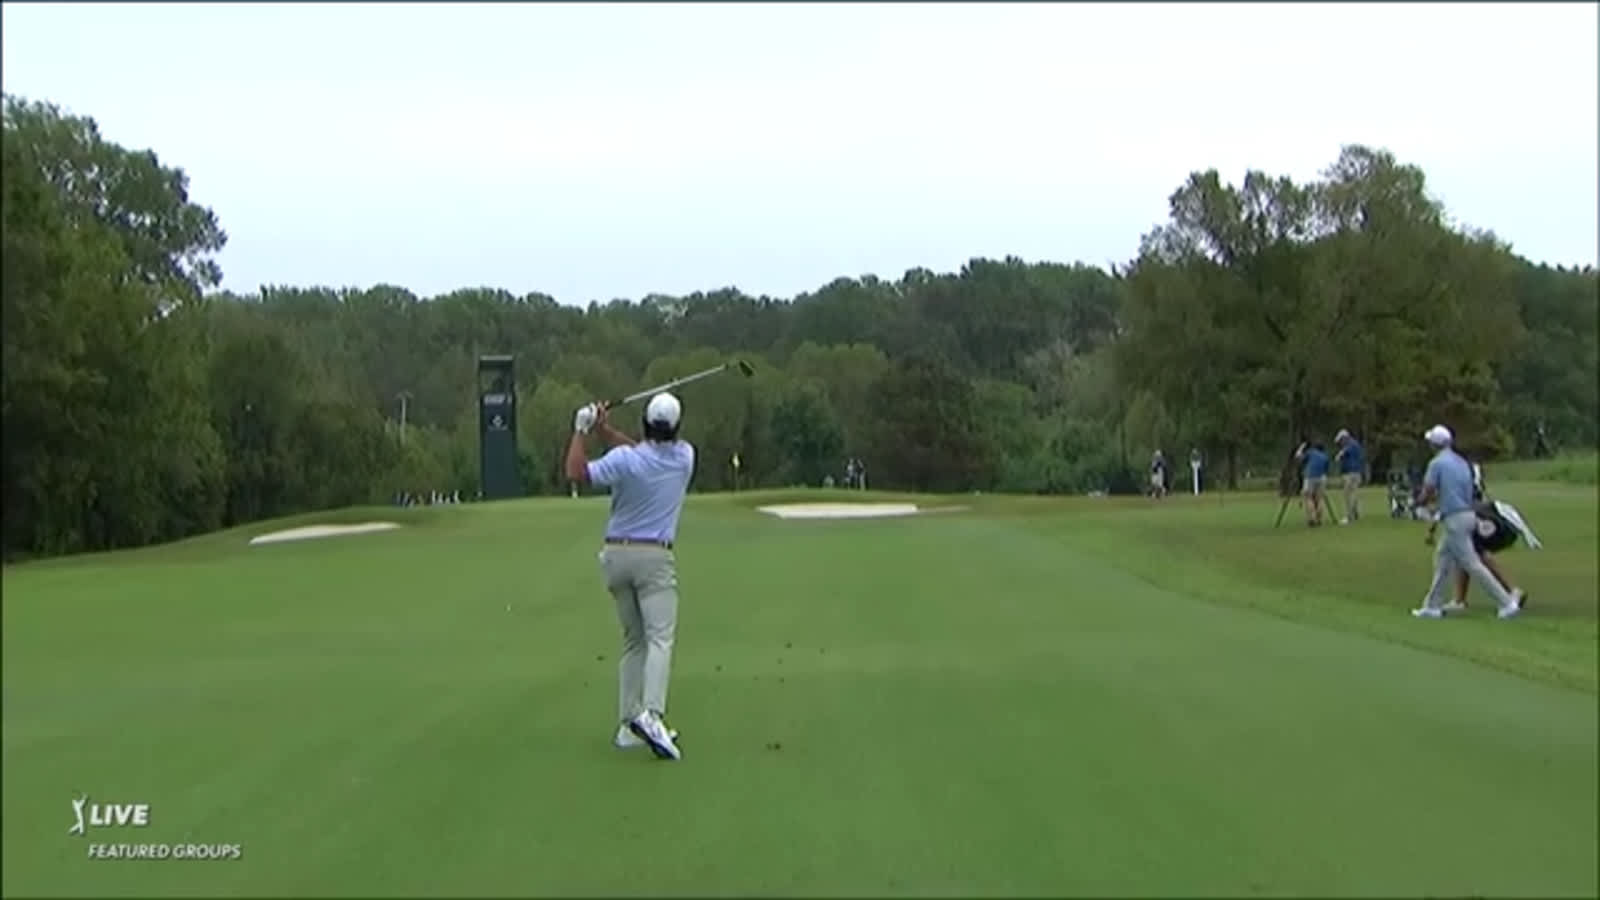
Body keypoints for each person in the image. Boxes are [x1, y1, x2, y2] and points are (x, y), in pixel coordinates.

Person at [565, 392, 695, 760]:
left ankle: (628, 726)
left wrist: (582, 430)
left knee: (633, 640)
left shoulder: (626, 460)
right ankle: (652, 716)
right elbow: (643, 455)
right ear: (676, 428)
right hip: (654, 558)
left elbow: (576, 472)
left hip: (615, 558)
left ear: (644, 424)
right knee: (659, 639)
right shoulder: (685, 457)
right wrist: (604, 430)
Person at [1413, 424, 1523, 620]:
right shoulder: (1461, 462)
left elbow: (1429, 490)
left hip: (1455, 518)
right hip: (1468, 514)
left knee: (1472, 564)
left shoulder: (1436, 464)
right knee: (1442, 559)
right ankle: (1432, 605)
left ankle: (1506, 603)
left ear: (1434, 444)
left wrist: (1418, 502)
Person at [1437, 497, 1542, 612]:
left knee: (1479, 555)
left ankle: (1513, 591)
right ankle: (1459, 600)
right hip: (1499, 521)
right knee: (1463, 554)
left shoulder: (1461, 514)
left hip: (1499, 526)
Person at [1332, 428, 1365, 524]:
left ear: (1344, 438)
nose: (1340, 443)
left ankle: (1349, 516)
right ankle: (1356, 513)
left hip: (1349, 473)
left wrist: (1338, 456)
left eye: (1340, 441)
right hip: (1357, 472)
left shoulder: (1349, 444)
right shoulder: (1357, 444)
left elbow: (1344, 452)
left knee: (1347, 495)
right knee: (1354, 493)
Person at [1299, 441, 1332, 526]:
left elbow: (1299, 457)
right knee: (1319, 498)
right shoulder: (1325, 456)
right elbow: (1327, 469)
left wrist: (1300, 449)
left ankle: (1312, 518)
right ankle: (1319, 519)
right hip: (1321, 478)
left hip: (1310, 477)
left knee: (1308, 497)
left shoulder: (1311, 452)